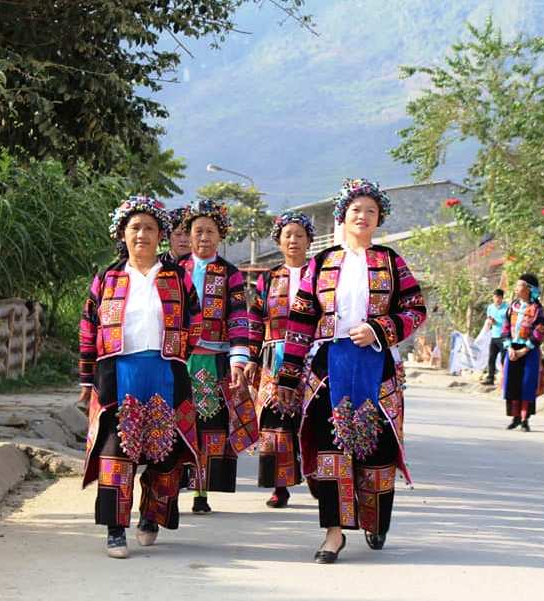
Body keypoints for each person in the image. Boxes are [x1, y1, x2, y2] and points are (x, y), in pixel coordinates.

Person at [276, 178, 426, 563]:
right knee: (330, 449)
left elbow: (415, 308)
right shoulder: (322, 262)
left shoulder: (391, 261)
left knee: (378, 448)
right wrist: (288, 374)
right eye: (356, 210)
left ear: (379, 219)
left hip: (377, 365)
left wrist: (379, 329)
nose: (363, 216)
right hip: (330, 366)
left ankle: (375, 520)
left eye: (370, 211)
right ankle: (334, 533)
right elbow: (300, 318)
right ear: (343, 216)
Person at [79, 195, 202, 558]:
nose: (142, 235)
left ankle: (151, 515)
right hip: (118, 374)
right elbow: (88, 328)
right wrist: (86, 379)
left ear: (161, 235)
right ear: (122, 233)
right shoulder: (107, 278)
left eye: (149, 228)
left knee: (165, 453)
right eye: (135, 227)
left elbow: (194, 322)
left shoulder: (177, 278)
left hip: (166, 372)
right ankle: (115, 529)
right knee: (115, 452)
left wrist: (178, 355)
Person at [177, 199, 257, 513]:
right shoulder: (174, 270)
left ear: (220, 236)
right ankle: (170, 485)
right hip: (179, 360)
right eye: (198, 231)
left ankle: (201, 493)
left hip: (214, 361)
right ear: (189, 234)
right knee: (178, 421)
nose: (204, 237)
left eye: (210, 231)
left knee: (209, 425)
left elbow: (238, 317)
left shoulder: (230, 274)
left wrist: (238, 359)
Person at [245, 211, 315, 508]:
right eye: (288, 235)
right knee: (275, 420)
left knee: (311, 417)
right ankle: (279, 486)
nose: (293, 240)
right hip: (274, 358)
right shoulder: (268, 279)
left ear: (309, 241)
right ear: (279, 241)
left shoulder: (320, 275)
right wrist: (251, 357)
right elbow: (254, 320)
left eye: (300, 235)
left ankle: (317, 478)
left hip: (312, 356)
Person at [502, 273, 544, 432]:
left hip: (529, 351)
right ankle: (515, 418)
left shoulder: (537, 309)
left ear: (529, 289)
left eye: (519, 285)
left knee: (527, 384)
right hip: (512, 350)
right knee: (512, 383)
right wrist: (509, 347)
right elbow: (505, 328)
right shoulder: (512, 307)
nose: (516, 288)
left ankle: (524, 419)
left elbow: (539, 331)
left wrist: (524, 350)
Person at [482, 289, 508, 385]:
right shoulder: (490, 307)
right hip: (494, 336)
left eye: (499, 297)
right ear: (493, 297)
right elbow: (489, 319)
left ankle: (505, 379)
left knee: (503, 359)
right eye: (495, 297)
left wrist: (497, 322)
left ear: (502, 298)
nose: (497, 299)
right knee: (491, 358)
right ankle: (490, 378)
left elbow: (509, 322)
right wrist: (490, 322)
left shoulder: (507, 308)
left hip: (504, 336)